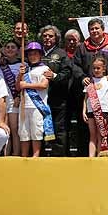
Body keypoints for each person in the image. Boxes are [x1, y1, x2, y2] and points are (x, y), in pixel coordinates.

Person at [71, 18, 108, 155]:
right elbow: (75, 66)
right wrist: (82, 77)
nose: (94, 31)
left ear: (102, 30)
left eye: (97, 28)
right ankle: (87, 159)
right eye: (92, 29)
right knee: (87, 132)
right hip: (89, 95)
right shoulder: (82, 48)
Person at [16, 41, 53, 158]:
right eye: (30, 54)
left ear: (40, 54)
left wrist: (26, 85)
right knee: (24, 132)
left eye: (35, 54)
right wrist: (19, 76)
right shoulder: (24, 69)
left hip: (37, 105)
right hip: (24, 104)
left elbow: (43, 85)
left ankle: (35, 156)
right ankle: (24, 156)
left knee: (36, 132)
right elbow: (18, 87)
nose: (33, 56)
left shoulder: (44, 68)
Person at [39, 25, 71, 156]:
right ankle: (38, 155)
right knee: (38, 128)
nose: (47, 38)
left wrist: (55, 76)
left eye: (50, 36)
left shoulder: (62, 54)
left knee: (59, 129)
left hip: (57, 98)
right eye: (45, 36)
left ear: (56, 38)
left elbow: (68, 72)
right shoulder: (36, 52)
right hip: (38, 98)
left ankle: (59, 157)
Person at [82, 56, 108, 157]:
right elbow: (85, 98)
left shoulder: (107, 80)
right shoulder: (89, 82)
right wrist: (83, 111)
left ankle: (99, 155)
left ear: (104, 69)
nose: (96, 70)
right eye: (94, 68)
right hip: (91, 110)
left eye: (98, 68)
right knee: (92, 135)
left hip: (104, 110)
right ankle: (91, 157)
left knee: (101, 134)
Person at [0, 39, 23, 154]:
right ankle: (5, 154)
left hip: (15, 100)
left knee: (14, 129)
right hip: (2, 100)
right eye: (8, 47)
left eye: (13, 47)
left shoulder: (22, 65)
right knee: (4, 129)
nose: (10, 49)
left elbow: (23, 83)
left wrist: (19, 96)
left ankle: (16, 154)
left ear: (18, 50)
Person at [63, 29, 85, 155]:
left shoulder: (83, 52)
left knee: (82, 126)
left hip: (80, 95)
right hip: (64, 96)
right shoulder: (61, 54)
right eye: (69, 40)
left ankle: (82, 153)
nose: (71, 42)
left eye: (74, 40)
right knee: (64, 127)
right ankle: (64, 154)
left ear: (79, 41)